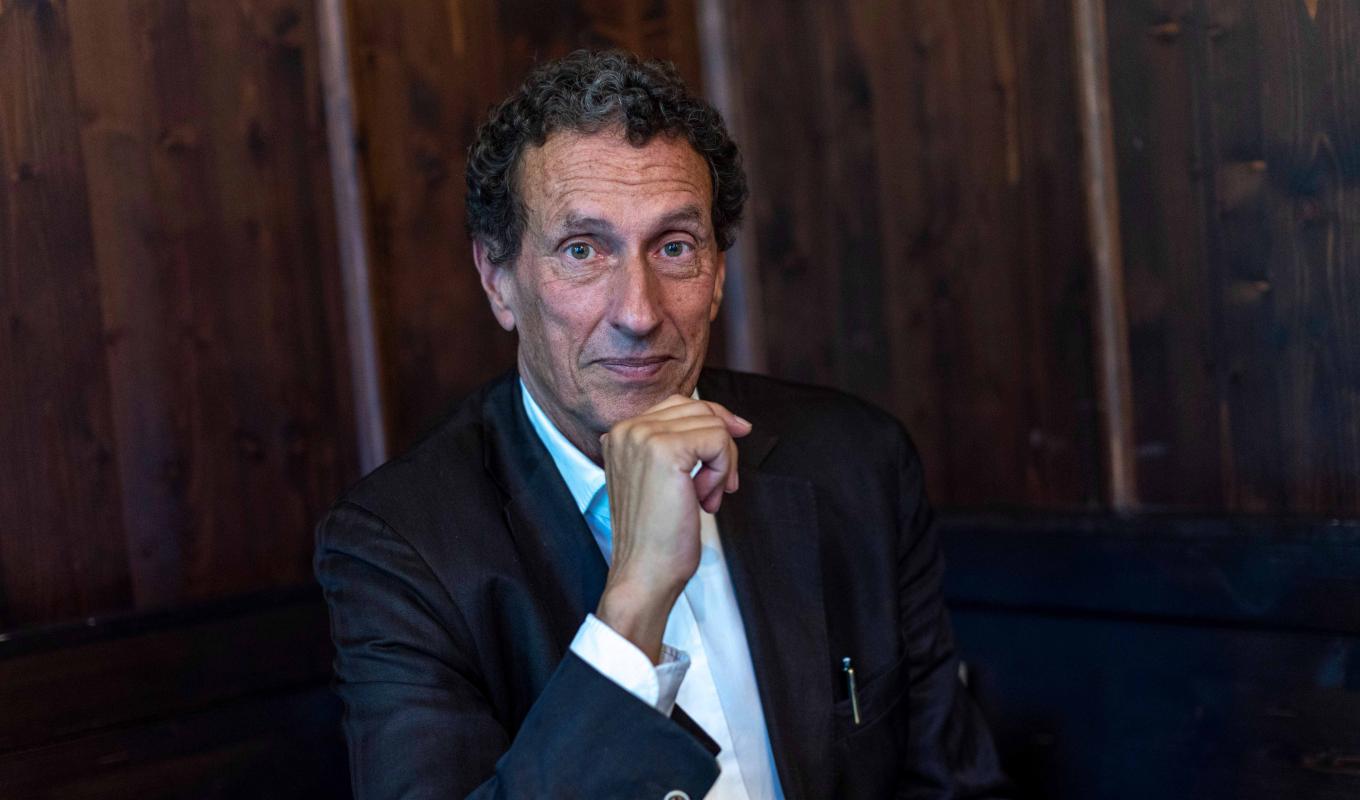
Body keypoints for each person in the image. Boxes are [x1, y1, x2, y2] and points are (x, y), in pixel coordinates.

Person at [315, 50, 1011, 799]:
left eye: (675, 247)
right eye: (583, 250)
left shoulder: (856, 461)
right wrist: (634, 602)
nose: (639, 313)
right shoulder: (402, 546)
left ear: (717, 275)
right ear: (498, 280)